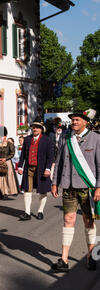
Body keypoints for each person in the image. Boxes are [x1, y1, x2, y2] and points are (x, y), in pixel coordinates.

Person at [51, 111, 100, 272]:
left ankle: (91, 255)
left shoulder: (96, 138)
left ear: (85, 122)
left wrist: (99, 187)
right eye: (72, 120)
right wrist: (55, 182)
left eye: (77, 120)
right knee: (68, 220)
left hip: (88, 188)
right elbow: (58, 162)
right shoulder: (66, 138)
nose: (73, 122)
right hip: (68, 186)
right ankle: (64, 259)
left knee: (88, 221)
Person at [18, 117, 54, 220]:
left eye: (38, 127)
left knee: (43, 190)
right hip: (29, 168)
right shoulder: (27, 139)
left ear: (41, 129)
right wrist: (20, 166)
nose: (35, 129)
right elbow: (23, 155)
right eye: (34, 127)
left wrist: (48, 169)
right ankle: (27, 213)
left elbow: (50, 156)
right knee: (27, 190)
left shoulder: (47, 140)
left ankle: (40, 211)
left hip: (42, 169)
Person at [0, 127, 19, 200]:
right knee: (0, 178)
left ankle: (8, 191)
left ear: (5, 136)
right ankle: (2, 192)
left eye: (2, 136)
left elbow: (12, 154)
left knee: (8, 178)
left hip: (7, 162)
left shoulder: (10, 144)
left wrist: (5, 158)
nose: (1, 137)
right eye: (0, 136)